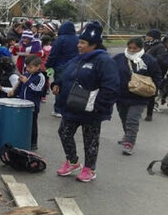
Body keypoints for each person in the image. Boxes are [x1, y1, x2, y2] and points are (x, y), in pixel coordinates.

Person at [52, 21, 119, 182]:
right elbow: (67, 74)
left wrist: (98, 106)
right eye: (79, 42)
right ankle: (73, 161)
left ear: (93, 45)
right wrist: (57, 83)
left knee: (90, 141)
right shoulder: (78, 59)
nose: (79, 45)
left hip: (92, 109)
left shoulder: (104, 61)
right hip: (73, 105)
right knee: (64, 133)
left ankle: (90, 169)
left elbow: (111, 86)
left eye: (82, 43)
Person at [113, 38, 162, 155]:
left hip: (140, 97)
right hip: (121, 95)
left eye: (135, 48)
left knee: (132, 120)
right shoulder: (119, 58)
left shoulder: (149, 60)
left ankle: (129, 143)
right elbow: (110, 72)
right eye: (130, 47)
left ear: (141, 48)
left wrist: (152, 89)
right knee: (124, 117)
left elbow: (157, 76)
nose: (132, 50)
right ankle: (127, 134)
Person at [8, 55, 45, 150]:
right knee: (21, 123)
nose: (28, 69)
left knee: (32, 125)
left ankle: (33, 143)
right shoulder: (26, 74)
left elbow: (39, 91)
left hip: (32, 106)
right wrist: (13, 92)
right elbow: (20, 87)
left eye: (30, 67)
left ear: (38, 66)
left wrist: (27, 82)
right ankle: (21, 140)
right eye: (27, 67)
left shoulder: (41, 77)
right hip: (22, 104)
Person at [45, 21, 79, 117]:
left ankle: (58, 109)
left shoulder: (60, 39)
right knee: (71, 87)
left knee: (59, 86)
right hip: (75, 65)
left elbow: (54, 54)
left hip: (61, 66)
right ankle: (70, 107)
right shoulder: (77, 39)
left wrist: (48, 64)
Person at [144, 29, 168, 121]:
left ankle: (149, 113)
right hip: (145, 72)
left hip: (155, 74)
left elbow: (162, 61)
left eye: (148, 36)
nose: (146, 37)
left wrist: (149, 59)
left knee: (151, 93)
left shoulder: (160, 47)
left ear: (153, 37)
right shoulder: (148, 45)